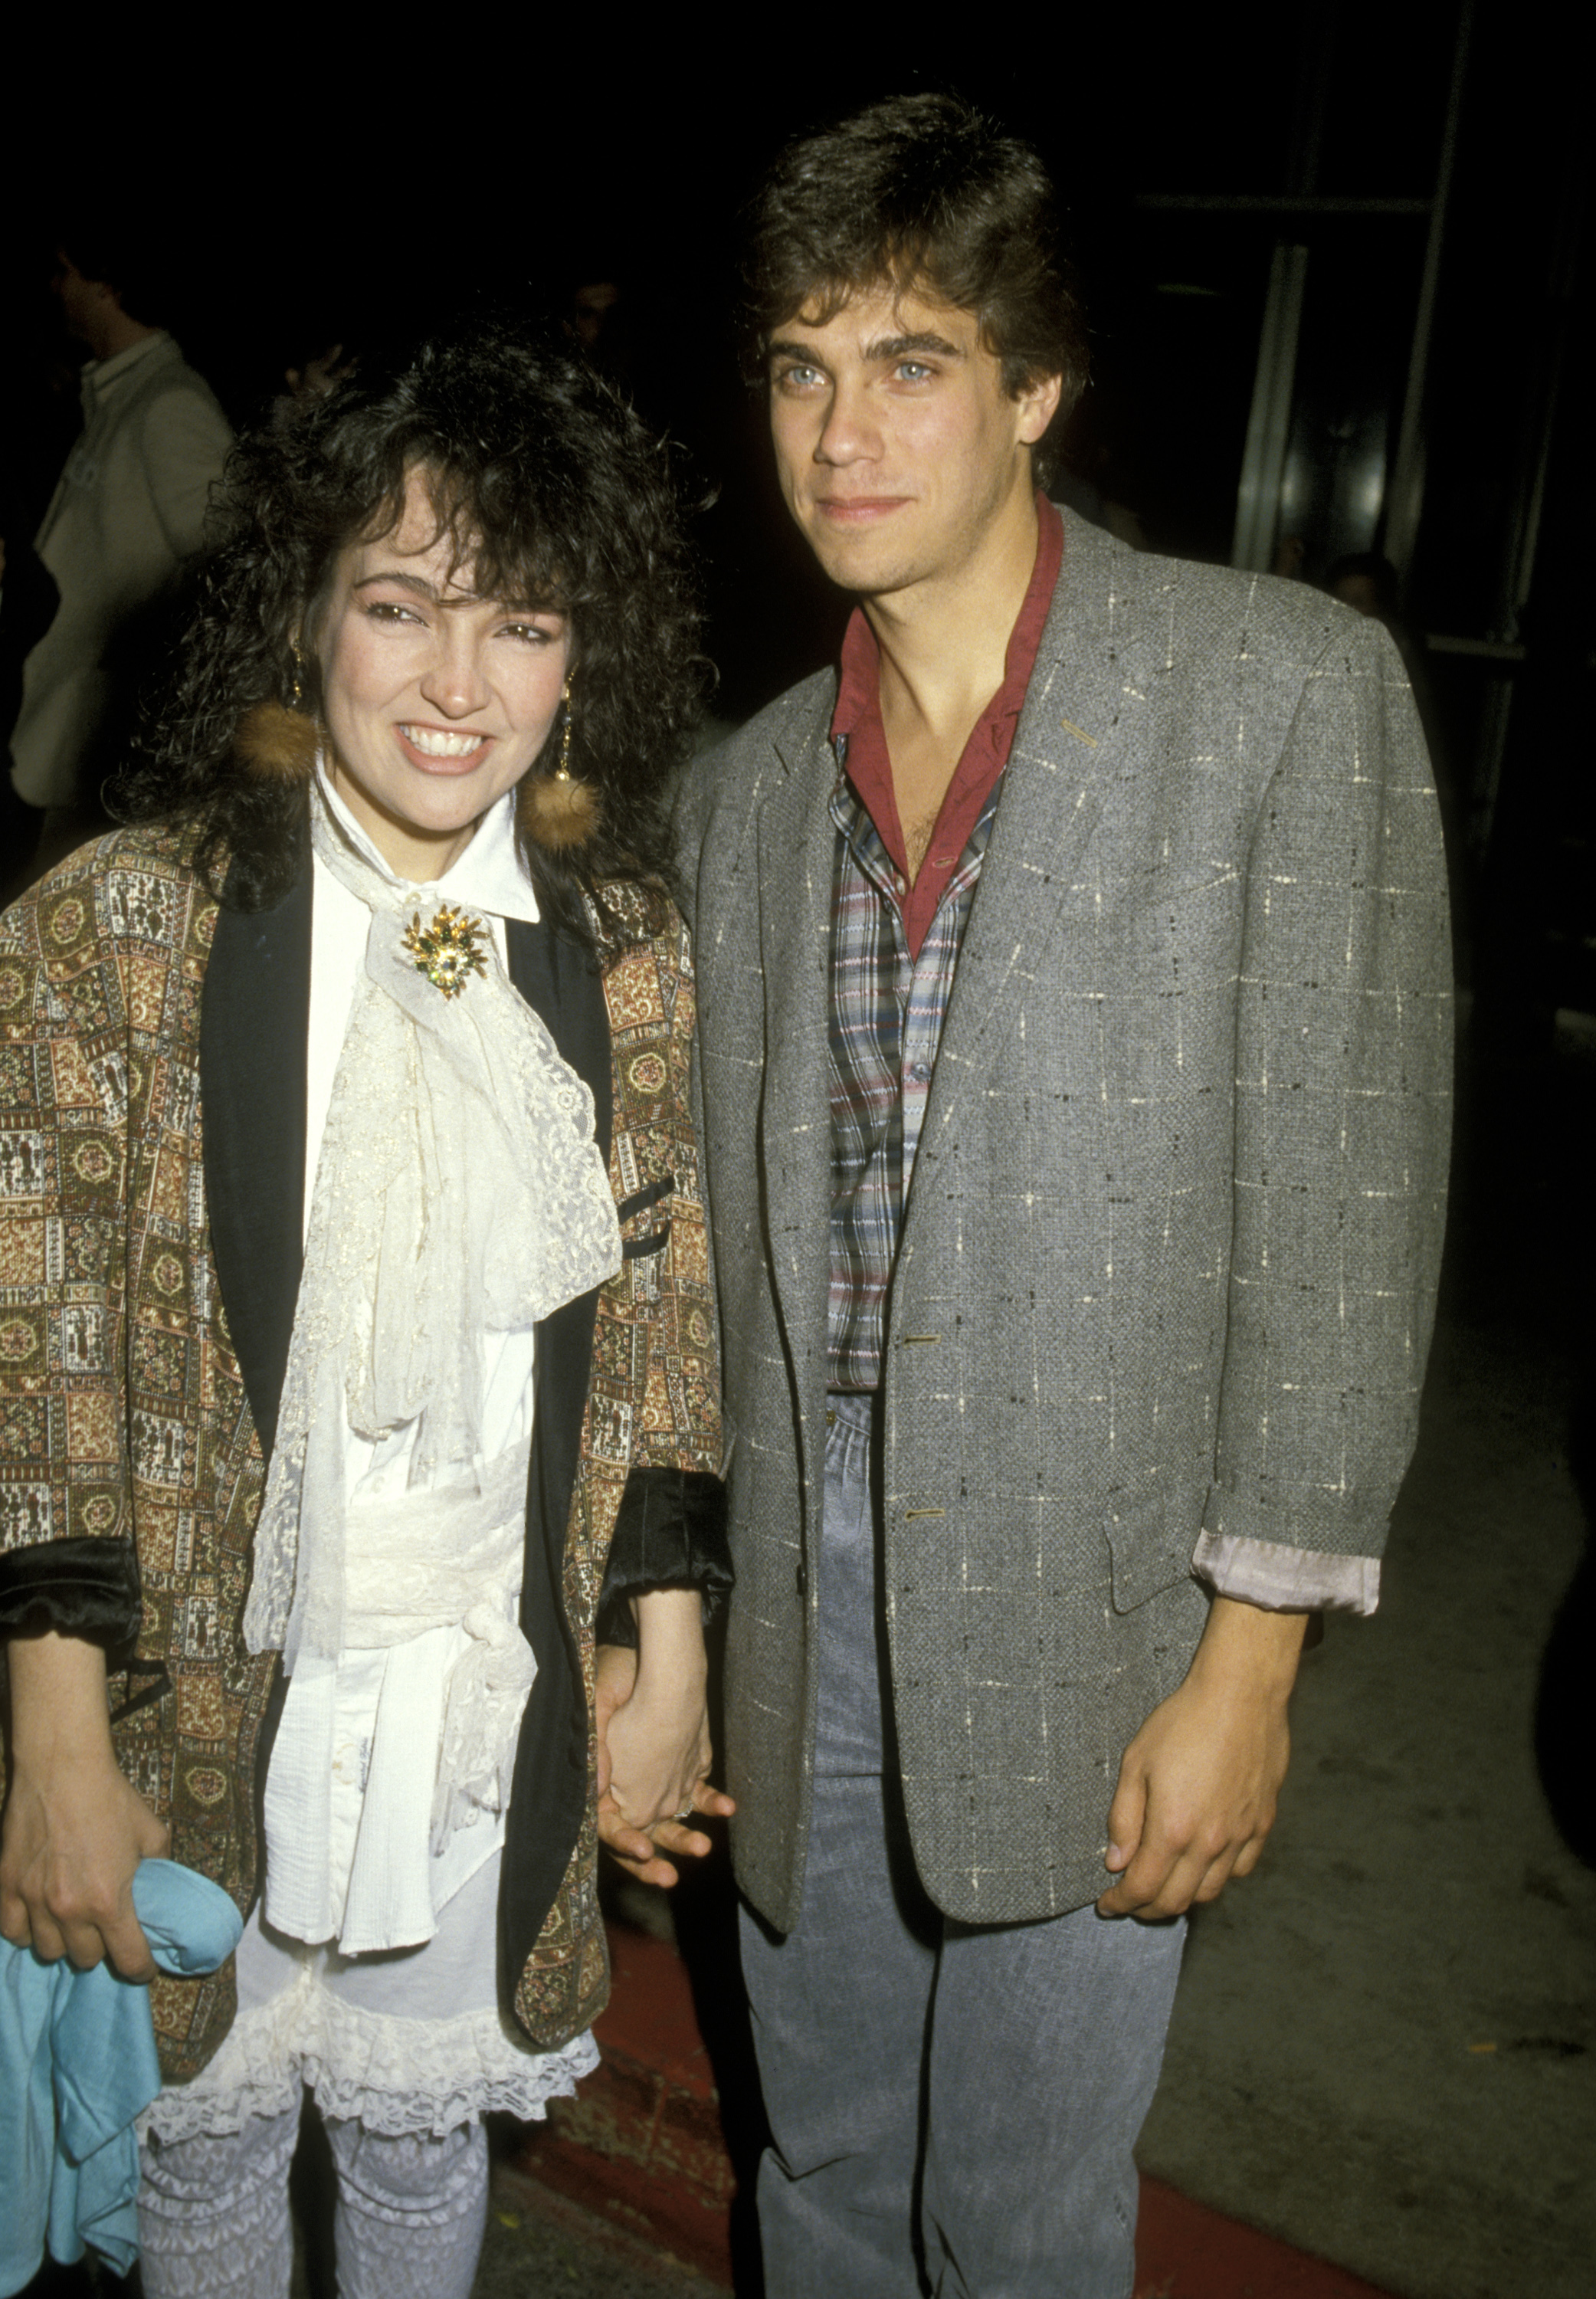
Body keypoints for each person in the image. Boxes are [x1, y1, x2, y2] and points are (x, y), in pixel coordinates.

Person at [675, 95, 1453, 2298]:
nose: (841, 430)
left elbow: (1342, 1213)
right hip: (802, 1597)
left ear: (1034, 392)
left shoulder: (1274, 697)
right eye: (801, 366)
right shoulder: (736, 799)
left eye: (911, 361)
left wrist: (1253, 1663)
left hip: (1101, 1596)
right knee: (818, 2175)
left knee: (1013, 2225)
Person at [0, 321, 732, 2297]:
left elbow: (658, 1308)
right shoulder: (118, 930)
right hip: (207, 1677)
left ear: (579, 665)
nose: (455, 682)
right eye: (399, 605)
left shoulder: (626, 948)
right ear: (305, 617)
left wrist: (663, 1647)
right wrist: (55, 1745)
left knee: (423, 2147)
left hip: (473, 1683)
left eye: (519, 623)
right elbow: (44, 1350)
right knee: (210, 2146)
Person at [9, 233, 234, 874]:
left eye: (64, 271)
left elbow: (229, 571)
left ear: (105, 281)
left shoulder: (171, 404)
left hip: (90, 760)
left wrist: (134, 673)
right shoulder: (117, 394)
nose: (54, 289)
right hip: (48, 738)